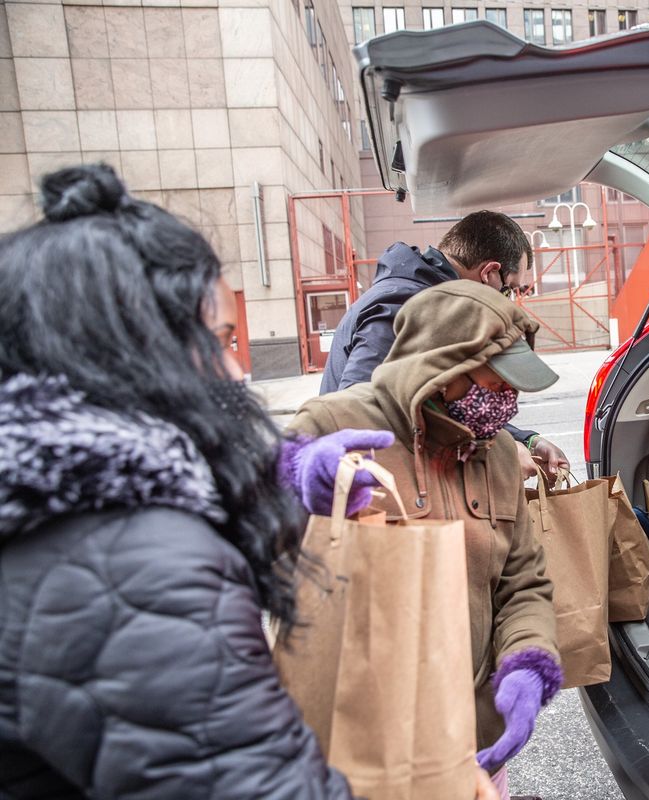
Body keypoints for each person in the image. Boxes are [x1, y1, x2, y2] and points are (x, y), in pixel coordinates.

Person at [0, 164, 499, 800]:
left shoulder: (54, 498)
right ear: (130, 351)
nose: (238, 370)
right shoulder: (140, 567)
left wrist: (282, 483)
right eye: (220, 340)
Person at [289, 280, 563, 798]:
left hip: (467, 741)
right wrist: (298, 480)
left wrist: (528, 661)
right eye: (499, 382)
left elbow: (523, 581)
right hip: (351, 740)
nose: (510, 400)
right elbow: (247, 528)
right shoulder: (336, 423)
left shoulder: (500, 454)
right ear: (444, 366)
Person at [319, 211, 569, 478]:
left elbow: (438, 408)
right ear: (490, 273)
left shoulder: (436, 303)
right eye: (509, 290)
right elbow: (358, 420)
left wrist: (526, 440)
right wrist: (501, 455)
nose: (508, 303)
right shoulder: (402, 306)